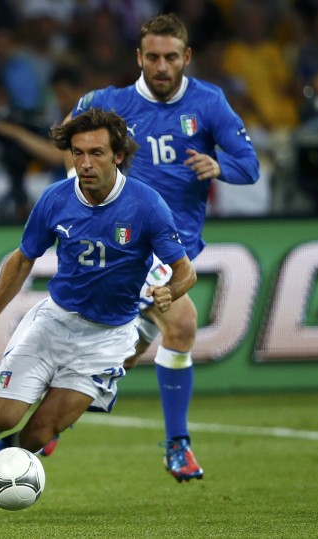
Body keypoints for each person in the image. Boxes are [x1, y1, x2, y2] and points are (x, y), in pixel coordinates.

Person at [0, 108, 197, 516]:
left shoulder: (147, 206)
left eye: (96, 153)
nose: (85, 163)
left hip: (108, 339)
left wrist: (169, 290)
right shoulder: (56, 199)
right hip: (54, 323)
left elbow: (186, 271)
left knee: (39, 433)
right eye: (77, 153)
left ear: (118, 155)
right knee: (1, 417)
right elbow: (23, 260)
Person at [68, 13, 259, 481]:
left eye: (170, 57)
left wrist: (218, 166)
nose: (161, 66)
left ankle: (55, 417)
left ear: (186, 57)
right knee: (183, 321)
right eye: (152, 56)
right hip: (125, 239)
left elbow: (250, 166)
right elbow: (75, 153)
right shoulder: (110, 105)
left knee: (129, 347)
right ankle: (178, 445)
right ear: (139, 57)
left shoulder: (209, 102)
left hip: (179, 246)